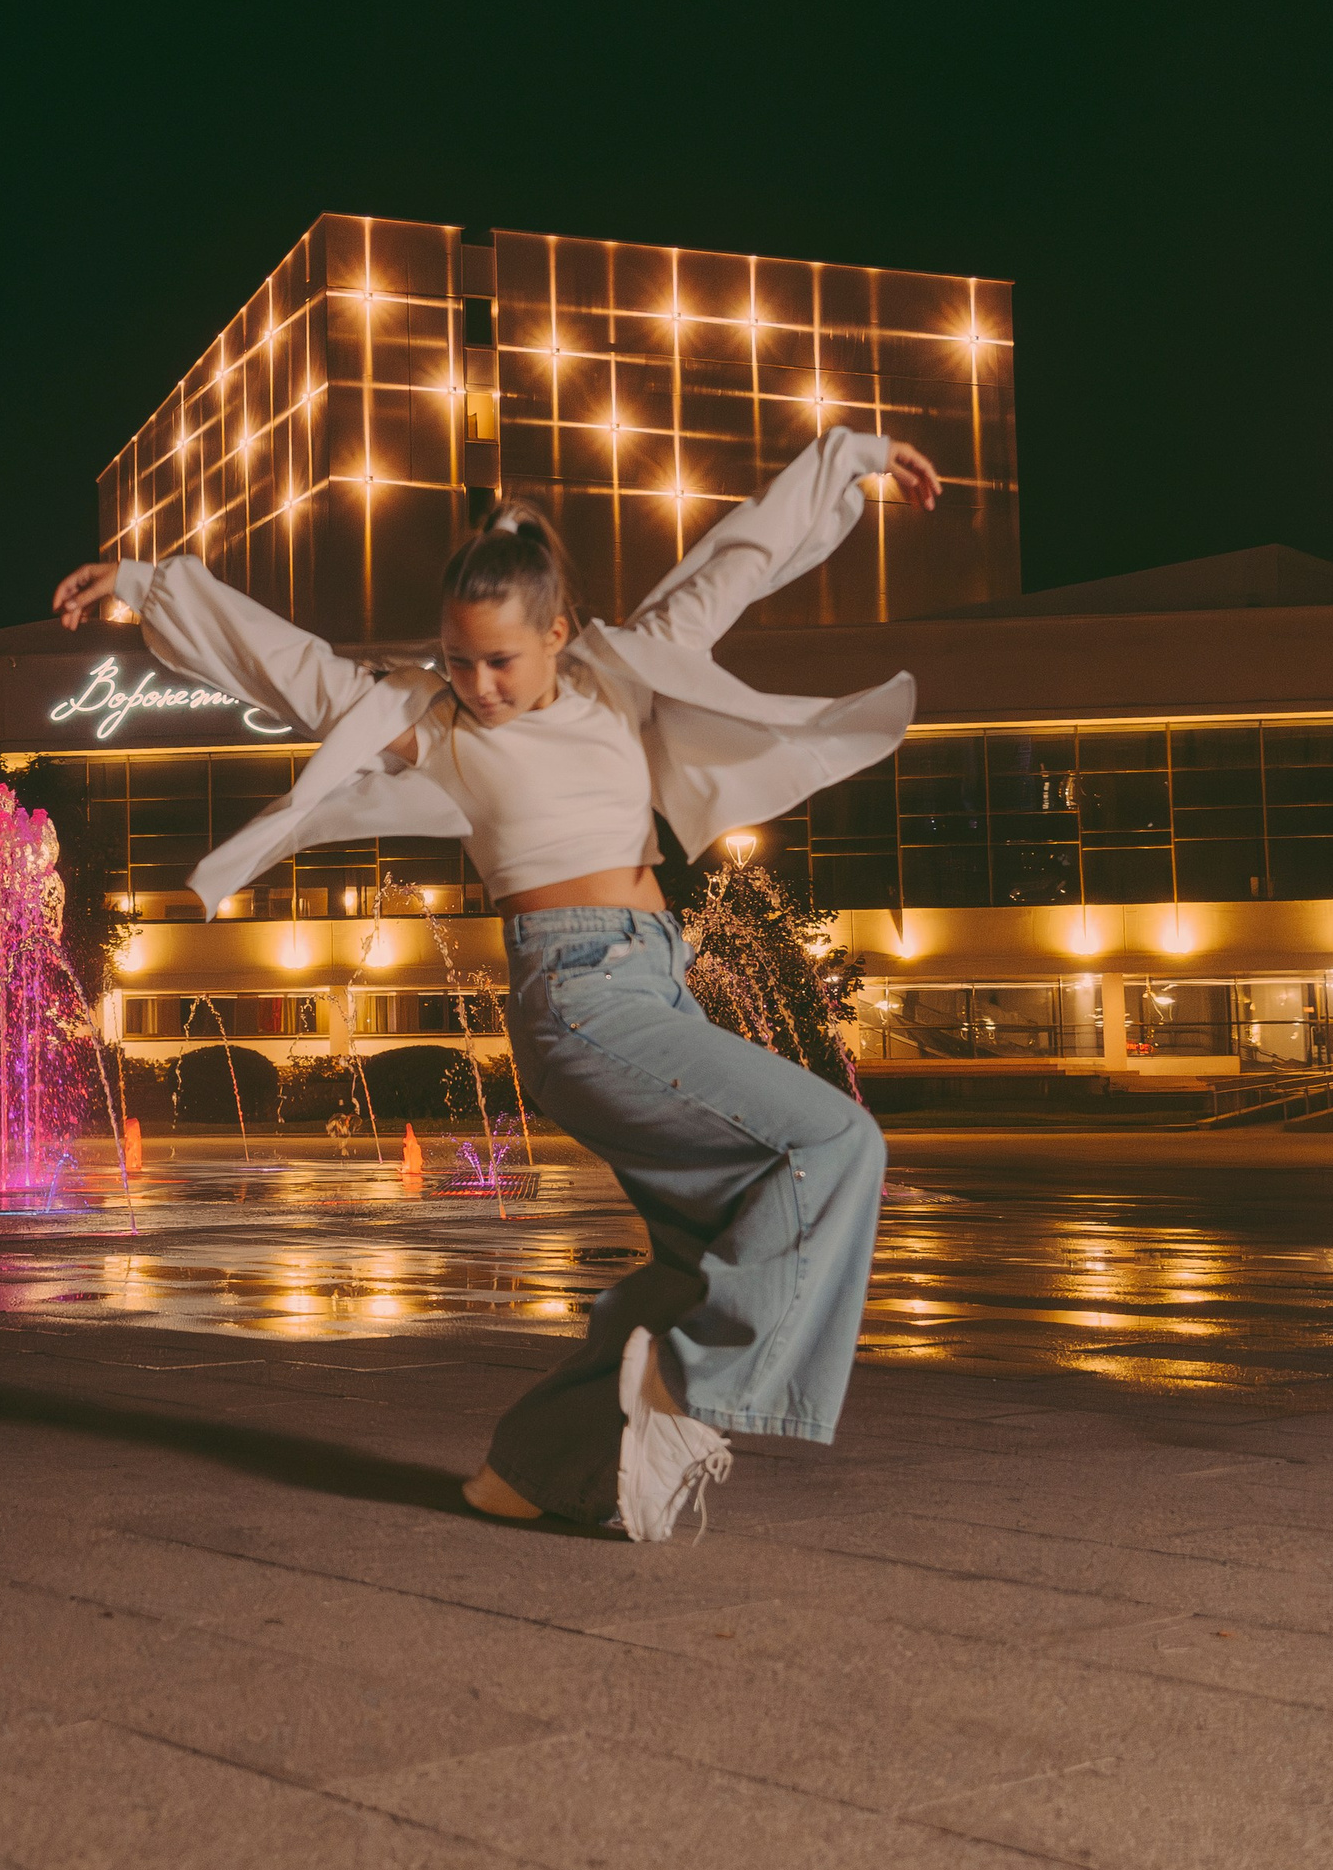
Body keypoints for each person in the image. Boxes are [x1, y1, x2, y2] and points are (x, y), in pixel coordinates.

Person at [55, 423, 940, 1542]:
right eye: (458, 657)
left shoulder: (624, 675)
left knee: (707, 1242)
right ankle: (686, 1391)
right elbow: (287, 663)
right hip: (576, 997)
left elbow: (733, 562)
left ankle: (528, 1469)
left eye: (499, 660)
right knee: (835, 1142)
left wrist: (842, 462)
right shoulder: (433, 721)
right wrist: (145, 584)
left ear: (558, 634)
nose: (475, 683)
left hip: (651, 987)